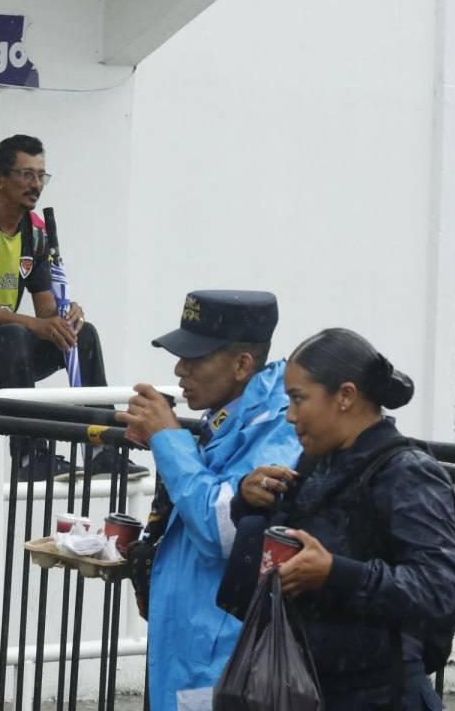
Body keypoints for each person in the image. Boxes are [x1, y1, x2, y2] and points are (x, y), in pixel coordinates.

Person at [220, 328, 455, 710]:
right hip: (310, 686)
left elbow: (438, 589)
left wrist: (335, 573)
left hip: (384, 695)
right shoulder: (319, 462)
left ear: (345, 396)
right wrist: (249, 501)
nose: (291, 416)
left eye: (299, 399)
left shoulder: (408, 473)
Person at [0, 133, 143, 481]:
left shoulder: (35, 232)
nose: (35, 184)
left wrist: (67, 316)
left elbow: (45, 311)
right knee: (12, 334)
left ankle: (103, 450)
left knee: (83, 336)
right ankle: (29, 456)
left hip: (4, 351)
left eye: (41, 175)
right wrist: (33, 325)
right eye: (26, 174)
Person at [115, 290, 301, 711]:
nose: (180, 369)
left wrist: (167, 438)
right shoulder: (231, 416)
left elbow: (223, 529)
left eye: (195, 358)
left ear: (242, 364)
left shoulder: (281, 426)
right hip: (193, 656)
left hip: (228, 666)